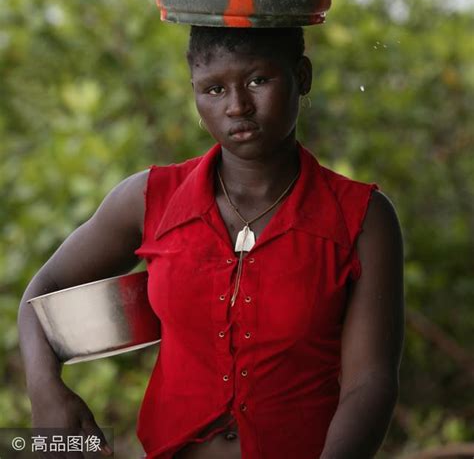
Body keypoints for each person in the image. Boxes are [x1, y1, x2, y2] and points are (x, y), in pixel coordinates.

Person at [18, 26, 404, 459]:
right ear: (195, 95)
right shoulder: (150, 200)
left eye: (258, 80)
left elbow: (369, 382)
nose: (237, 106)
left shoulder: (361, 217)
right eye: (214, 89)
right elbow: (42, 291)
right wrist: (45, 391)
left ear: (303, 75)